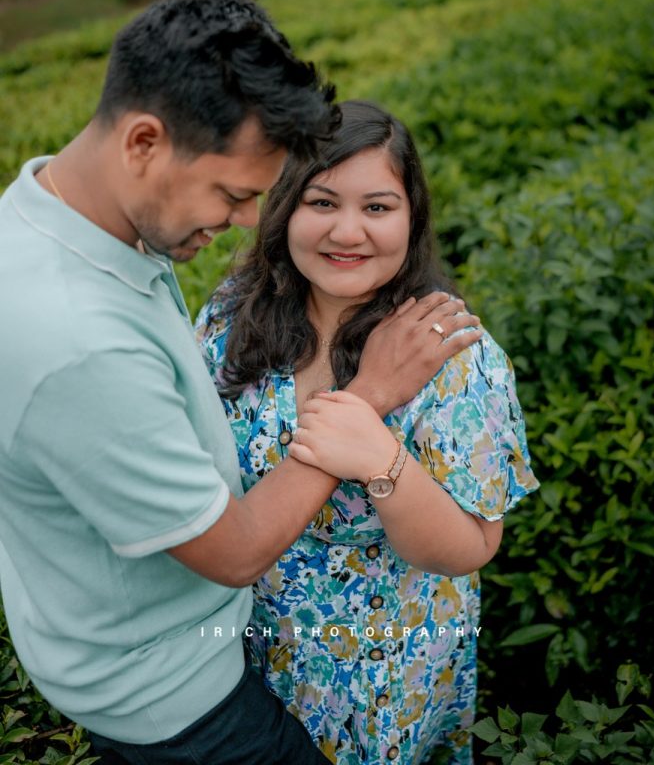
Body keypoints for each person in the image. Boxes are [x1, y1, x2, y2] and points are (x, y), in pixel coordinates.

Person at [0, 0, 478, 765]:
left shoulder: (64, 222)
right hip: (178, 699)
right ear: (144, 142)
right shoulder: (79, 342)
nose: (247, 222)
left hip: (212, 653)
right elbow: (233, 553)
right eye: (234, 194)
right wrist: (365, 403)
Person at [196, 100, 540, 765]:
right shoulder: (231, 315)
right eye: (321, 202)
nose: (347, 231)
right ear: (283, 208)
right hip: (241, 645)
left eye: (377, 208)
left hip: (382, 664)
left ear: (412, 219)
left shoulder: (456, 357)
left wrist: (381, 458)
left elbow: (468, 548)